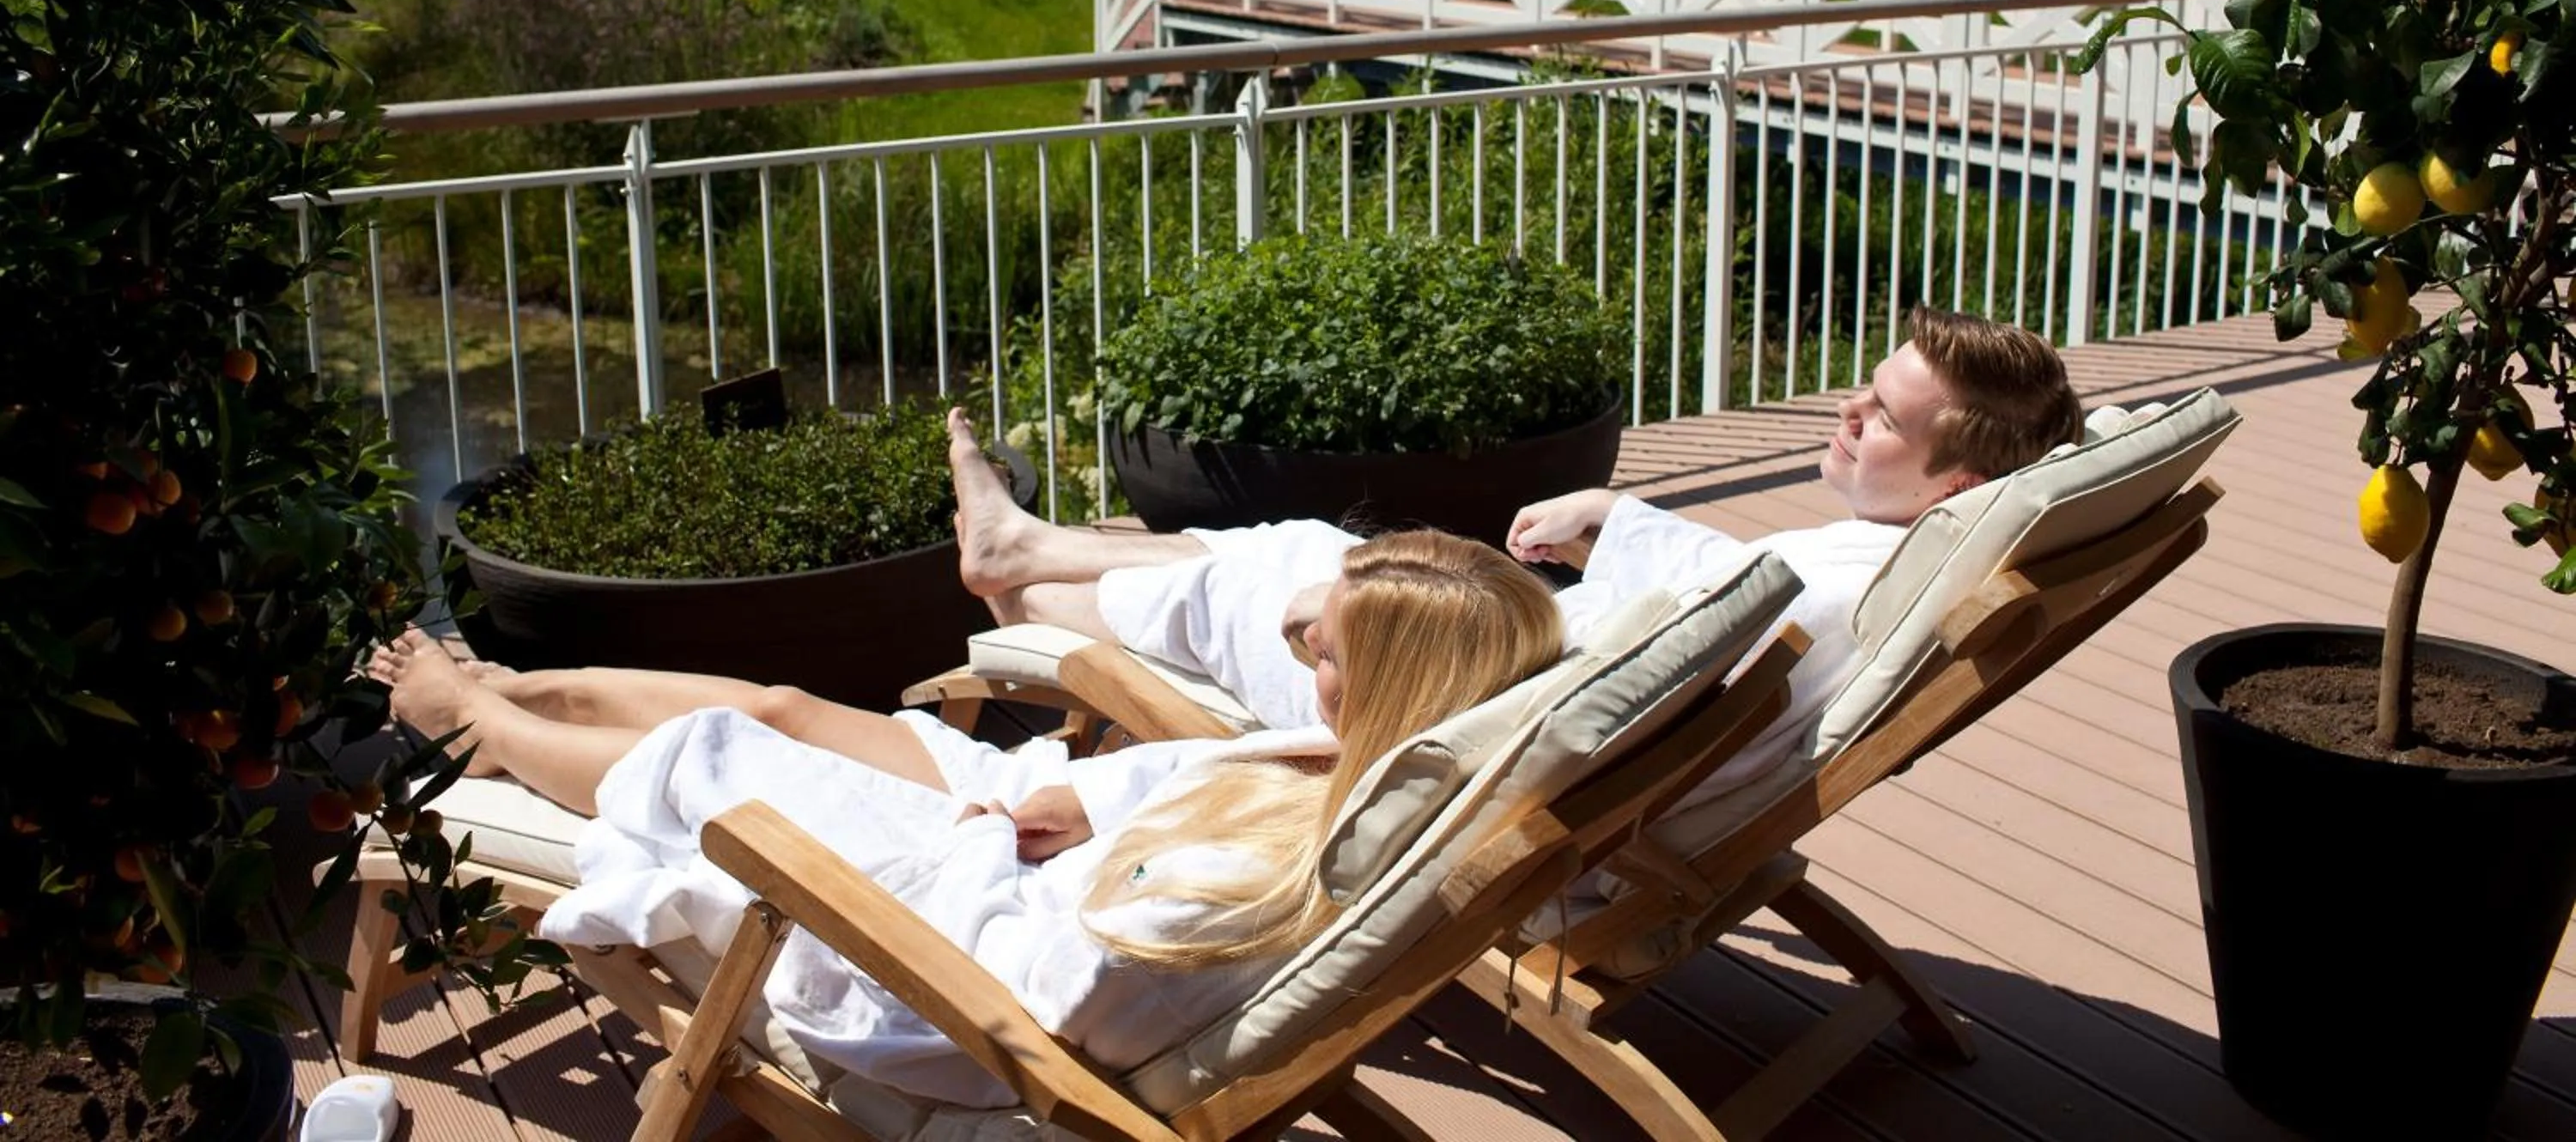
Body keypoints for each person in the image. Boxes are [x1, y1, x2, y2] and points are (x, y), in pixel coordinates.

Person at [370, 531, 1561, 1109]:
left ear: (1403, 689)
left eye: (1330, 652)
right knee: (786, 708)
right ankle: (512, 687)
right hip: (1031, 848)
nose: (1304, 655)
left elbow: (1038, 995)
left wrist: (999, 836)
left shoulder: (1261, 877)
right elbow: (1193, 787)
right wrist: (1080, 801)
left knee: (707, 757)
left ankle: (468, 724)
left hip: (926, 944)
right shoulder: (1361, 763)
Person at [959, 305, 2086, 787]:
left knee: (1254, 585)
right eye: (1867, 389)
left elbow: (1589, 696)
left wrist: (1365, 617)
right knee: (1310, 540)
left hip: (1440, 716)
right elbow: (1712, 612)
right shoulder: (1886, 566)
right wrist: (1619, 526)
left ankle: (1023, 601)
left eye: (1883, 418)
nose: (1848, 413)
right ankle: (1028, 543)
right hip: (1519, 676)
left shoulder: (1845, 591)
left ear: (1964, 478)